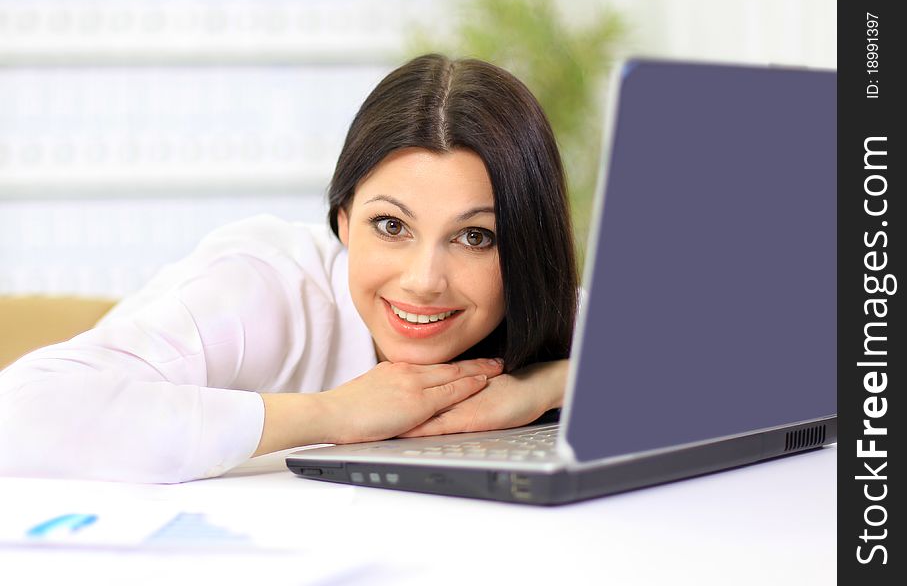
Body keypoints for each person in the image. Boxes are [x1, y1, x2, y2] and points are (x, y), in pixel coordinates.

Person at [0, 54, 579, 483]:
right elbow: (19, 414)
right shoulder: (258, 286)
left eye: (475, 236)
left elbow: (668, 349)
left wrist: (546, 383)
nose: (425, 279)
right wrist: (332, 413)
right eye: (391, 226)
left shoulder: (552, 316)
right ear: (344, 221)